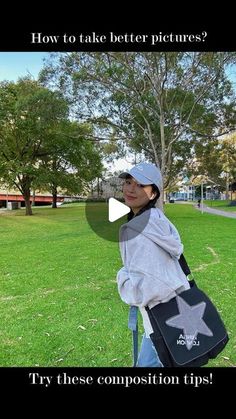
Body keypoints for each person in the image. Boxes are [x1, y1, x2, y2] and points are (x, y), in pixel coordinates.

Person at [116, 162, 190, 367]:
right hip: (181, 309)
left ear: (153, 194)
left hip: (161, 318)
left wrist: (123, 277)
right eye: (129, 182)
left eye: (141, 185)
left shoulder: (135, 230)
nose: (131, 189)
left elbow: (149, 288)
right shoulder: (159, 220)